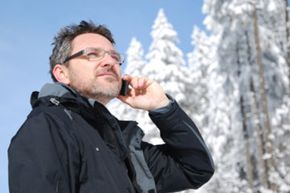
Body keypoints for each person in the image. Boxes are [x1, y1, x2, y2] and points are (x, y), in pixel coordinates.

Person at [8, 20, 214, 193]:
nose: (109, 61)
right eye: (91, 54)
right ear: (62, 73)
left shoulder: (122, 142)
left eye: (114, 56)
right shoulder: (49, 126)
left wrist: (162, 107)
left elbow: (195, 168)